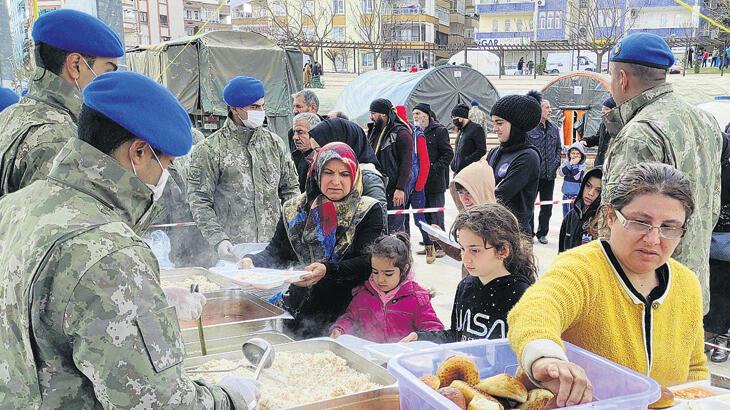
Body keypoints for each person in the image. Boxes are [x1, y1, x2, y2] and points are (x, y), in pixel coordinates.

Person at [0, 71, 258, 407]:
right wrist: (229, 398)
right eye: (166, 162)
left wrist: (152, 301)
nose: (166, 175)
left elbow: (51, 312)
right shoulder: (111, 251)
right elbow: (158, 403)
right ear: (138, 153)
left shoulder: (16, 206)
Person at [508, 163, 708, 406]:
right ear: (610, 216)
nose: (653, 239)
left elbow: (695, 368)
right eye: (640, 222)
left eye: (669, 227)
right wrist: (546, 359)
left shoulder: (686, 284)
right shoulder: (581, 268)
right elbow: (536, 310)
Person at [602, 33, 722, 314]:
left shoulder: (640, 133)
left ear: (622, 78)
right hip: (690, 286)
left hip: (646, 294)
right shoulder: (703, 119)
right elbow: (711, 206)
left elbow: (618, 224)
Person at [240, 142, 386, 339]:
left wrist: (327, 270)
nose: (336, 181)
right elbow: (278, 252)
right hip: (300, 310)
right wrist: (252, 261)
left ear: (355, 176)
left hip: (348, 314)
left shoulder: (367, 210)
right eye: (328, 172)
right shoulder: (295, 210)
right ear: (317, 172)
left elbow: (368, 262)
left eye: (344, 174)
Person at [0, 9, 124, 198]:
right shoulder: (60, 138)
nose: (111, 83)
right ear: (76, 65)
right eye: (107, 72)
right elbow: (66, 223)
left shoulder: (10, 115)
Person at [187, 76, 300, 262]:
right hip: (232, 251)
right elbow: (199, 200)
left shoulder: (274, 144)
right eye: (254, 107)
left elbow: (291, 191)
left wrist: (291, 231)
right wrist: (218, 239)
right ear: (234, 109)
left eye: (263, 106)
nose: (261, 111)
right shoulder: (210, 150)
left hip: (272, 249)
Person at [401, 203, 535, 343]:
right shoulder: (466, 285)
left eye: (475, 250)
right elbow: (456, 335)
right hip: (465, 364)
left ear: (503, 251)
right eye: (463, 248)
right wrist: (422, 337)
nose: (465, 258)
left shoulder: (523, 294)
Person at [329, 232, 444, 343]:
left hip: (401, 359)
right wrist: (340, 329)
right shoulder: (363, 294)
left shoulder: (417, 298)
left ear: (404, 269)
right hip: (369, 357)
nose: (380, 279)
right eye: (375, 272)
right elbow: (350, 318)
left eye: (388, 274)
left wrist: (420, 337)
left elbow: (434, 329)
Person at [486, 92, 542, 235]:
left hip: (515, 234)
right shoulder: (494, 152)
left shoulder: (528, 157)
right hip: (491, 228)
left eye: (499, 123)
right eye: (493, 123)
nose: (495, 128)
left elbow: (500, 195)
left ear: (516, 124)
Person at [308, 117, 388, 209]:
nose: (315, 157)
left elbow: (379, 218)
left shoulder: (368, 179)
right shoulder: (317, 173)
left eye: (318, 151)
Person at [413, 103, 454, 261]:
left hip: (435, 182)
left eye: (418, 113)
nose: (415, 116)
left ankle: (441, 246)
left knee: (436, 214)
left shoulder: (439, 130)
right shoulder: (416, 131)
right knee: (425, 215)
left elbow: (448, 153)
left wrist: (434, 168)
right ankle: (429, 243)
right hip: (421, 182)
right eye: (414, 113)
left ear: (427, 114)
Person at [367, 98, 414, 232]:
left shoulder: (401, 133)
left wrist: (400, 188)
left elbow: (407, 163)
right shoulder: (374, 131)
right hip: (377, 184)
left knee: (395, 228)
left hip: (394, 189)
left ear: (383, 114)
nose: (371, 117)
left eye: (373, 113)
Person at [394, 105, 431, 260]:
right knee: (402, 220)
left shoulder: (417, 135)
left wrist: (419, 185)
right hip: (402, 186)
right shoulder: (396, 134)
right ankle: (406, 253)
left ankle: (430, 248)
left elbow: (425, 162)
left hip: (416, 187)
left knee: (420, 219)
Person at [706, 129, 730, 363]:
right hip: (717, 241)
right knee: (718, 292)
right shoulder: (718, 160)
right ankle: (717, 337)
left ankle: (720, 337)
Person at [527, 95, 562, 244]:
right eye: (547, 107)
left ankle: (542, 233)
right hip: (533, 175)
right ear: (539, 109)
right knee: (529, 206)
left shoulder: (554, 128)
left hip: (549, 175)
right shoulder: (529, 128)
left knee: (546, 207)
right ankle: (529, 233)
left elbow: (558, 148)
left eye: (549, 108)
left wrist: (555, 163)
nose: (550, 110)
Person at [558, 167, 602, 253]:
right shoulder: (570, 216)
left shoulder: (602, 222)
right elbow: (561, 252)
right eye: (588, 186)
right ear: (583, 185)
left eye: (598, 190)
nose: (590, 193)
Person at [451, 103, 487, 174]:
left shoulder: (476, 128)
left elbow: (481, 150)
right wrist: (453, 163)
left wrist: (467, 161)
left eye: (455, 117)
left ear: (462, 117)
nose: (453, 120)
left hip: (469, 172)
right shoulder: (461, 130)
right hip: (458, 172)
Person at [579, 96, 615, 167]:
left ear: (614, 110)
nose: (603, 111)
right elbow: (598, 138)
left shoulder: (619, 126)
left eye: (606, 109)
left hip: (610, 164)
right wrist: (586, 141)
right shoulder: (604, 123)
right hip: (599, 163)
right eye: (602, 109)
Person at [291, 112, 321, 191]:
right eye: (294, 132)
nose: (295, 137)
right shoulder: (296, 156)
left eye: (300, 132)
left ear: (314, 133)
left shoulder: (322, 161)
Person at [560, 143, 587, 216]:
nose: (575, 155)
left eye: (578, 154)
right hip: (566, 195)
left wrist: (574, 165)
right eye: (573, 153)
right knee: (565, 215)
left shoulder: (582, 166)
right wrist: (569, 163)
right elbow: (561, 173)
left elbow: (577, 177)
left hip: (576, 196)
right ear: (569, 154)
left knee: (574, 215)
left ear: (581, 156)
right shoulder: (567, 163)